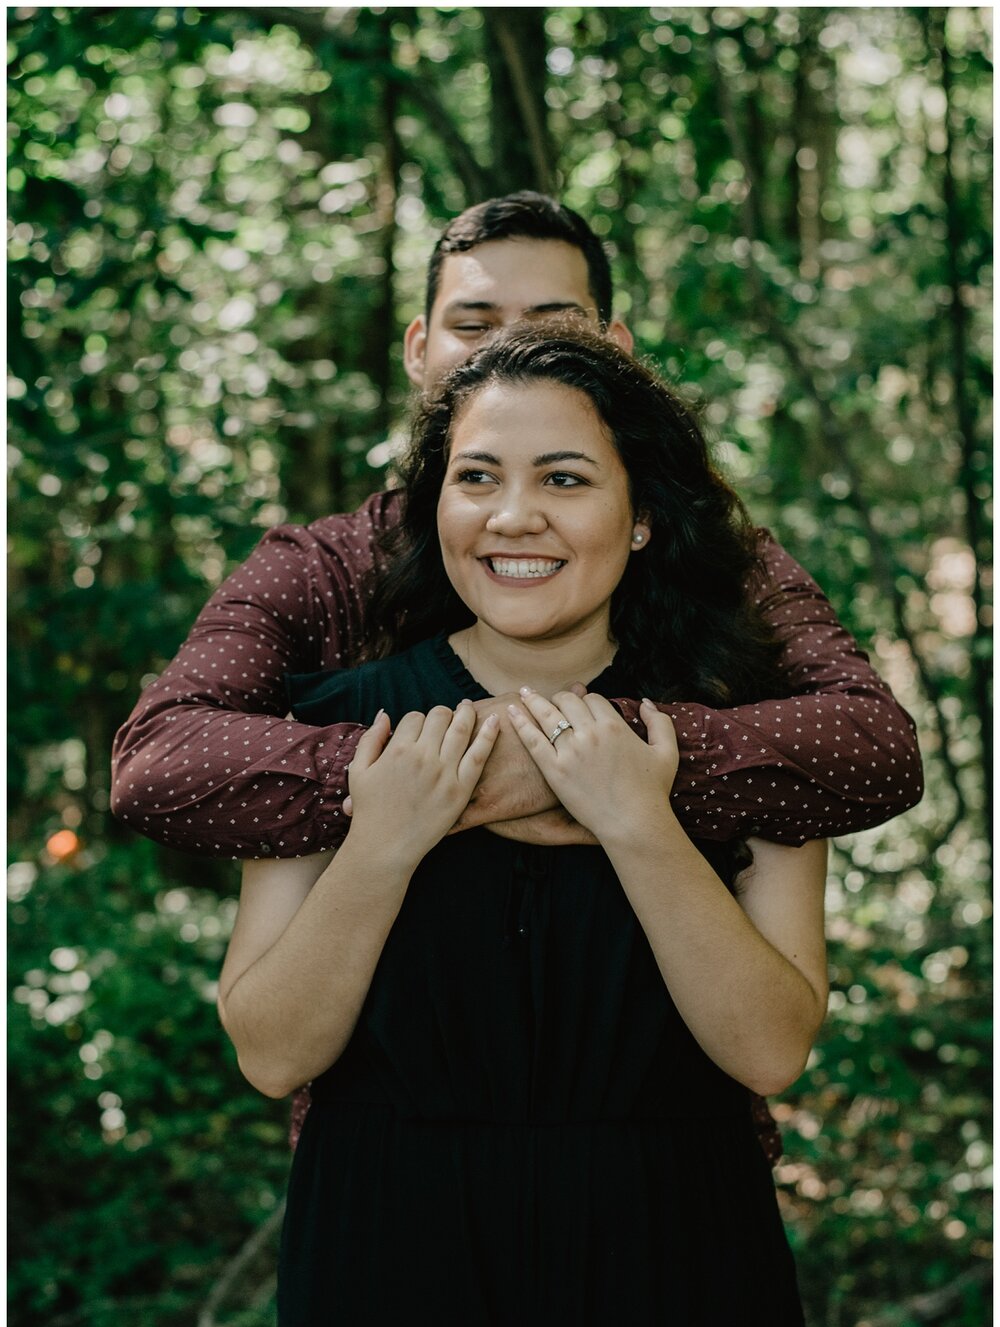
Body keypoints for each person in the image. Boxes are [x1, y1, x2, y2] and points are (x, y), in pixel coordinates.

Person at [111, 191, 921, 1161]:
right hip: (392, 1174)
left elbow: (874, 745)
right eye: (473, 323)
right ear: (419, 350)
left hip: (668, 1179)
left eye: (553, 327)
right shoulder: (326, 570)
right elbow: (157, 758)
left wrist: (617, 766)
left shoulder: (716, 569)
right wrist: (419, 780)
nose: (502, 350)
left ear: (614, 350)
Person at [218, 323, 829, 1327]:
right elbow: (269, 1046)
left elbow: (769, 1047)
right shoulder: (330, 725)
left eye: (564, 478)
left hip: (677, 1244)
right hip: (388, 1247)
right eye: (478, 478)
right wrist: (384, 841)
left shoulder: (740, 732)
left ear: (642, 512)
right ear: (433, 506)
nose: (513, 516)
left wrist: (638, 820)